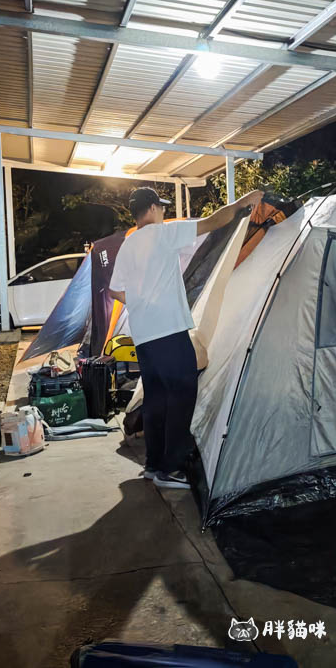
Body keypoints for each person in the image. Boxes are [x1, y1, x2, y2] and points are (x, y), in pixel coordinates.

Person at [108, 186, 263, 489]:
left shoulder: (128, 244)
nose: (164, 211)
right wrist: (245, 201)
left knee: (156, 398)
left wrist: (142, 303)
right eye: (161, 207)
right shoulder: (163, 233)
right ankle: (171, 469)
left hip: (144, 336)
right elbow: (214, 221)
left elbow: (114, 290)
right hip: (168, 331)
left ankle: (154, 465)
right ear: (151, 209)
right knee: (182, 393)